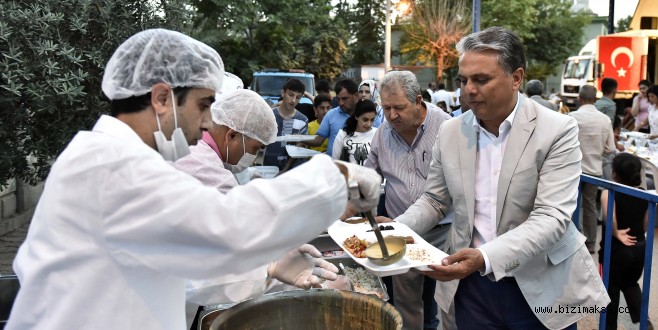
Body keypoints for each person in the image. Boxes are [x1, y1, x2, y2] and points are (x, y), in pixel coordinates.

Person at [5, 29, 382, 330]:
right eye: (203, 106)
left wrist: (264, 270)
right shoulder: (112, 167)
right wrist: (336, 177)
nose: (206, 122)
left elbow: (177, 266)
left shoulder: (112, 158)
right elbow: (225, 223)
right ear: (161, 98)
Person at [391, 26, 609, 329]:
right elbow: (434, 200)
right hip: (472, 286)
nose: (468, 89)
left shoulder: (557, 130)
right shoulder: (452, 131)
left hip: (540, 285)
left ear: (516, 78)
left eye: (481, 80)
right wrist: (393, 230)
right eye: (463, 80)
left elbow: (552, 217)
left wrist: (484, 256)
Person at [173, 89, 347, 328]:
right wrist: (272, 269)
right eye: (255, 149)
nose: (252, 158)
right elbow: (225, 259)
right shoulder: (208, 172)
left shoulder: (193, 151)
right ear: (232, 135)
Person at [367, 70, 452, 330]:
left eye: (399, 108)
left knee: (449, 301)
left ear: (418, 101)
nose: (392, 116)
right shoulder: (382, 134)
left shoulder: (447, 128)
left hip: (444, 232)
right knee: (407, 306)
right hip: (399, 232)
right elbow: (370, 177)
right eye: (386, 108)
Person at [599, 153, 650, 329]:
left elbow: (608, 217)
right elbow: (646, 224)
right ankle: (644, 320)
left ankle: (609, 326)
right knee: (630, 284)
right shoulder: (645, 195)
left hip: (616, 251)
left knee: (610, 289)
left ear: (614, 173)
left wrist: (616, 233)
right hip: (639, 248)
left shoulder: (609, 193)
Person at [569, 85, 616, 253]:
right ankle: (590, 243)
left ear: (580, 99)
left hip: (574, 171)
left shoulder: (572, 117)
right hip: (594, 171)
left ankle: (572, 241)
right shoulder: (605, 119)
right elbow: (610, 148)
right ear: (595, 99)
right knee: (589, 206)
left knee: (571, 205)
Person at [262, 78, 309, 170]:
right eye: (291, 95)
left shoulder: (303, 120)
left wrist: (285, 170)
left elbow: (300, 148)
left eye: (298, 97)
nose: (293, 100)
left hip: (293, 171)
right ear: (283, 93)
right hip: (269, 168)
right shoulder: (269, 115)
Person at [306, 79, 360, 157]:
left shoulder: (366, 115)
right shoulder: (331, 114)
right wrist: (297, 138)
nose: (341, 103)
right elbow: (318, 141)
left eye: (344, 99)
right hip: (334, 167)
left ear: (356, 96)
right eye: (338, 99)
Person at [331, 99, 377, 165]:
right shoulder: (343, 134)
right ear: (356, 116)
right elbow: (335, 161)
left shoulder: (377, 133)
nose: (369, 124)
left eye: (372, 120)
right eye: (365, 120)